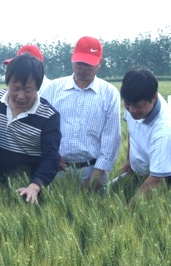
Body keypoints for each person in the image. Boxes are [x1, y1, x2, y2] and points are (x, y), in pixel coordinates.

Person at [0, 53, 61, 203]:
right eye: (15, 88)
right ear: (7, 82)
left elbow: (51, 158)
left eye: (28, 90)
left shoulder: (49, 115)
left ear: (38, 87)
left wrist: (35, 186)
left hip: (28, 190)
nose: (21, 96)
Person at [41, 36, 121, 189]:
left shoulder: (109, 93)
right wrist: (49, 154)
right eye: (80, 63)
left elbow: (111, 136)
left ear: (100, 63)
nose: (83, 68)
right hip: (56, 169)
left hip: (92, 169)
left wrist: (99, 170)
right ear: (72, 59)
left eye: (89, 64)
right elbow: (40, 125)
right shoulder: (53, 88)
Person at [120, 68, 171, 197]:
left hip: (166, 179)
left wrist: (128, 208)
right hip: (143, 172)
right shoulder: (136, 104)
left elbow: (156, 179)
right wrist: (129, 160)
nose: (132, 110)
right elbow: (132, 132)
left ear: (154, 98)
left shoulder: (165, 129)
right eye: (127, 104)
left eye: (138, 106)